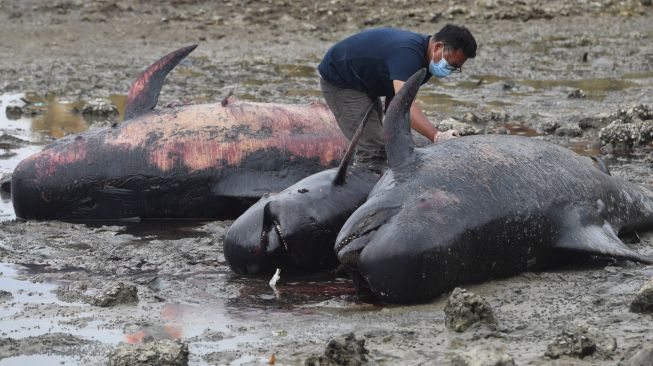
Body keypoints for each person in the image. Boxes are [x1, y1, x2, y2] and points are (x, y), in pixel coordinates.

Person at [318, 24, 477, 170]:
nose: (450, 70)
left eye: (456, 68)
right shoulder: (408, 55)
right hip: (341, 80)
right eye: (451, 65)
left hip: (365, 81)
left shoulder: (426, 62)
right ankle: (365, 189)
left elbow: (395, 106)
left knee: (384, 141)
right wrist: (437, 136)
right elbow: (403, 107)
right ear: (438, 47)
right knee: (372, 149)